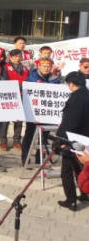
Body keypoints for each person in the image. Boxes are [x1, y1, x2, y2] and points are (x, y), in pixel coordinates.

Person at [54, 71, 89, 211]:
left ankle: (71, 200)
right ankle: (85, 193)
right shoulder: (87, 95)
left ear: (71, 84)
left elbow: (69, 123)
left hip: (73, 140)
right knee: (80, 167)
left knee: (66, 171)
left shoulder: (75, 99)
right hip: (86, 139)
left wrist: (59, 139)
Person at [21, 58, 61, 166]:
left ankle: (40, 159)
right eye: (44, 65)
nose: (46, 68)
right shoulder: (31, 78)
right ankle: (25, 159)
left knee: (44, 138)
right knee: (29, 136)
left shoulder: (56, 80)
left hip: (48, 114)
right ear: (39, 66)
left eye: (48, 66)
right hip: (33, 113)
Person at [0, 49, 29, 151]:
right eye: (15, 56)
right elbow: (4, 82)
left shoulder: (25, 68)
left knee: (19, 119)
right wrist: (20, 85)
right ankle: (3, 141)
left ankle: (17, 141)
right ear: (10, 57)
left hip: (22, 96)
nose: (18, 58)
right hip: (10, 96)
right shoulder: (5, 68)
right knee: (5, 120)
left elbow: (29, 81)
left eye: (19, 56)